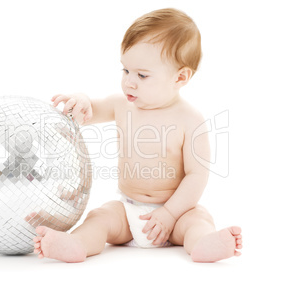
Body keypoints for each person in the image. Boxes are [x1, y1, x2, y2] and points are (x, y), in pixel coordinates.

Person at [32, 8, 242, 263]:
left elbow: (197, 176)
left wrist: (169, 214)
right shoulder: (123, 105)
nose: (129, 82)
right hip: (128, 210)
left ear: (180, 77)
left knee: (199, 220)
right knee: (100, 217)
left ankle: (203, 243)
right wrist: (82, 101)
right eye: (125, 70)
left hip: (176, 215)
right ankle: (77, 244)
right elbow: (92, 110)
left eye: (142, 75)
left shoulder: (190, 119)